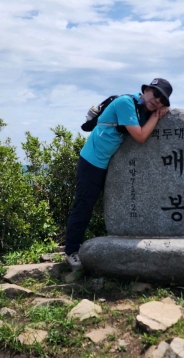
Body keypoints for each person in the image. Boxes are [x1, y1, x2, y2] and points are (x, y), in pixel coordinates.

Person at [65, 78, 173, 268]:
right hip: (92, 161)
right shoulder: (126, 103)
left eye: (162, 100)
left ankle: (88, 246)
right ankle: (71, 250)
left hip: (109, 163)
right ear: (146, 90)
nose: (157, 100)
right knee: (84, 205)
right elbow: (140, 136)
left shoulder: (143, 110)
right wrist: (157, 116)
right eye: (155, 94)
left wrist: (159, 112)